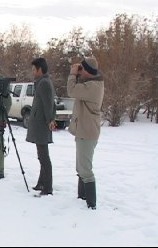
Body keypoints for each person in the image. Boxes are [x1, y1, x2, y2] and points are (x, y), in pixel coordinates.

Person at [67, 56, 104, 210]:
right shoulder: (90, 84)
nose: (79, 71)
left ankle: (91, 204)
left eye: (82, 69)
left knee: (85, 170)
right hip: (84, 131)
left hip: (87, 133)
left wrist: (72, 74)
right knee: (80, 167)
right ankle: (82, 197)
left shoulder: (93, 87)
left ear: (87, 71)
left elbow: (71, 90)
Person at [26, 57, 56, 196]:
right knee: (41, 156)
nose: (32, 72)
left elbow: (48, 103)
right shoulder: (41, 82)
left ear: (40, 69)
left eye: (34, 69)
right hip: (39, 123)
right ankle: (41, 182)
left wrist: (50, 120)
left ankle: (47, 187)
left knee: (44, 157)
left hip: (42, 125)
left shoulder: (44, 83)